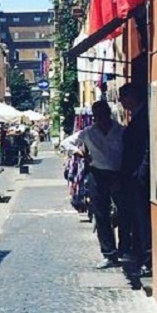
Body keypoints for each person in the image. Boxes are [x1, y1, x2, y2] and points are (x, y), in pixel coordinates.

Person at [61, 100, 125, 269]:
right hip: (97, 174)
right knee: (101, 215)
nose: (100, 119)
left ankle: (125, 249)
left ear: (108, 114)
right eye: (97, 116)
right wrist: (79, 152)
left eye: (102, 115)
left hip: (119, 175)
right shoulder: (88, 132)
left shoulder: (120, 131)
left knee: (124, 214)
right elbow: (66, 143)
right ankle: (109, 254)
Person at [119, 83, 152, 276]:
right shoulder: (138, 116)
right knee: (137, 218)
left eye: (123, 98)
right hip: (133, 177)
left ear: (131, 97)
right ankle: (141, 256)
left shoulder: (143, 117)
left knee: (141, 219)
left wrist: (141, 172)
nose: (121, 103)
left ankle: (146, 259)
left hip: (138, 177)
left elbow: (145, 146)